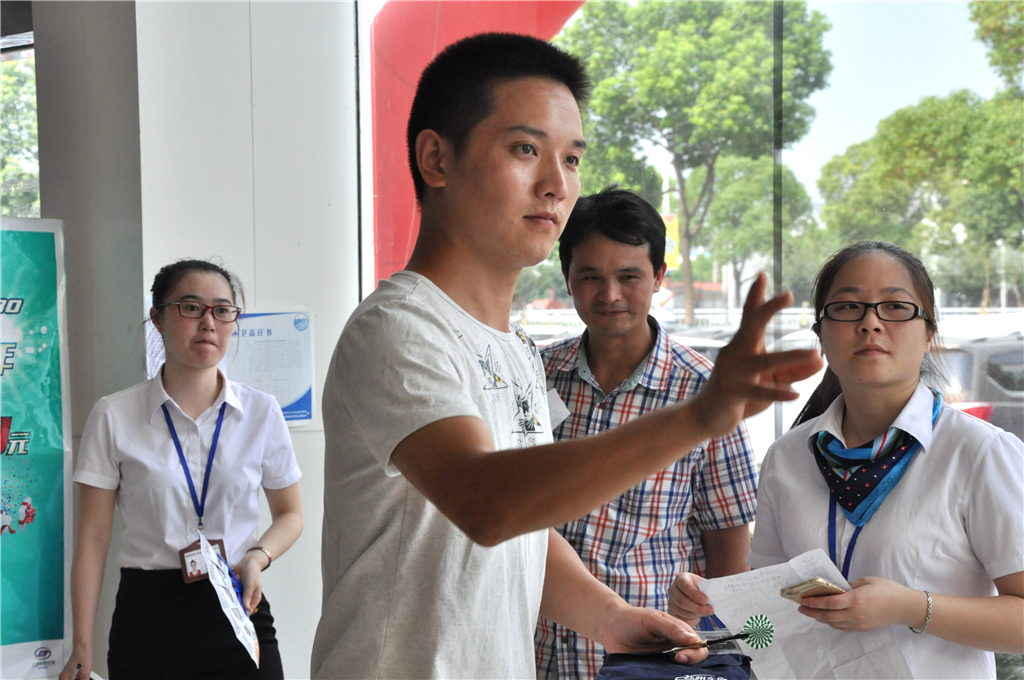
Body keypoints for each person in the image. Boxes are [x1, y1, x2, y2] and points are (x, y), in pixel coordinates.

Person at [311, 32, 821, 680]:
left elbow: (524, 534)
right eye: (525, 149)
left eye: (572, 158)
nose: (557, 184)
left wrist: (609, 617)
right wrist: (699, 416)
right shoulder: (399, 330)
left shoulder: (519, 350)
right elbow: (486, 504)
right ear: (436, 158)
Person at [669, 241, 1024, 679]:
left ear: (928, 333)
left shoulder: (979, 452)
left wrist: (911, 607)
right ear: (821, 333)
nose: (870, 322)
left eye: (895, 307)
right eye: (848, 307)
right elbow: (771, 618)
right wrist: (708, 614)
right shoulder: (789, 457)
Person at [536, 187, 757, 680]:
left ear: (659, 277)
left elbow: (729, 554)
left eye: (629, 276)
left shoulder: (704, 393)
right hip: (539, 655)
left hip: (652, 661)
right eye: (590, 276)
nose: (609, 295)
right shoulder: (534, 375)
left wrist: (716, 657)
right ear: (567, 278)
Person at [59, 260, 304, 680]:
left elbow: (291, 514)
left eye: (222, 310)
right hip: (149, 615)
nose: (208, 323)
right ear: (157, 318)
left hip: (237, 600)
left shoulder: (260, 411)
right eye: (191, 308)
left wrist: (257, 558)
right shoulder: (114, 415)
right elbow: (93, 538)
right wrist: (82, 642)